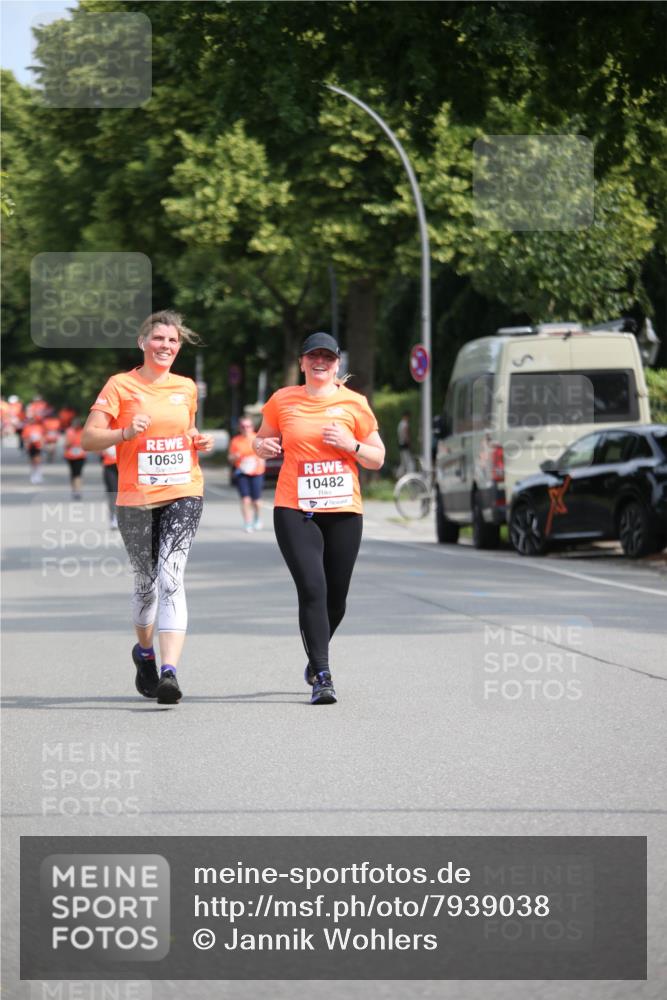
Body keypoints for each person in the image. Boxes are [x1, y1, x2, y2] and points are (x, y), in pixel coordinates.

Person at [81, 310, 214, 706]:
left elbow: (185, 429)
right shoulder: (120, 385)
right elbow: (89, 439)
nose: (166, 346)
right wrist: (123, 432)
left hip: (183, 491)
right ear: (143, 343)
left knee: (171, 576)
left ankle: (170, 673)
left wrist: (197, 440)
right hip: (136, 499)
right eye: (159, 339)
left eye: (173, 342)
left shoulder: (186, 387)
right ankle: (145, 655)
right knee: (146, 586)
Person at [254, 332, 385, 705]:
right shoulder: (283, 400)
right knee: (313, 587)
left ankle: (315, 653)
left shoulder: (354, 404)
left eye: (327, 357)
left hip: (344, 509)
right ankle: (323, 676)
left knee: (337, 599)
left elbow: (377, 457)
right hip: (296, 507)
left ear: (337, 363)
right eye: (313, 356)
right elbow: (261, 441)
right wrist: (262, 446)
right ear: (302, 362)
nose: (320, 362)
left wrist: (351, 445)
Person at [228, 416, 266, 532]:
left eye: (248, 426)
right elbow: (230, 458)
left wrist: (260, 459)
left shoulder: (257, 438)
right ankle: (248, 522)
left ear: (252, 427)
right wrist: (235, 457)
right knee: (245, 499)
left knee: (256, 501)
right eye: (243, 426)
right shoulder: (236, 440)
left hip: (257, 472)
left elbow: (264, 454)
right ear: (240, 428)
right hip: (242, 472)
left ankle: (257, 518)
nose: (246, 428)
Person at [63, 417, 87, 499]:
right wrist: (70, 442)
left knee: (78, 473)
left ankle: (78, 491)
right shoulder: (69, 431)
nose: (76, 426)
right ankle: (74, 489)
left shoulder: (83, 431)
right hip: (70, 455)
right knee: (73, 473)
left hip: (80, 456)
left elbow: (86, 443)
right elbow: (66, 444)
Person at [100, 444, 119, 528]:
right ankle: (113, 517)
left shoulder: (130, 430)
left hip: (125, 464)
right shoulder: (104, 430)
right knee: (113, 493)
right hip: (110, 465)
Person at [22, 417, 44, 483]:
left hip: (37, 446)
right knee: (32, 461)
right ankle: (33, 475)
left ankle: (38, 474)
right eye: (31, 420)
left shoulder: (39, 427)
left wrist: (42, 444)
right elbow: (25, 438)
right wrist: (26, 445)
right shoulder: (26, 428)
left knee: (37, 460)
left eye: (33, 420)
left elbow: (42, 436)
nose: (32, 421)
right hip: (30, 446)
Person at [397, 410, 414, 476]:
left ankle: (398, 475)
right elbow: (406, 434)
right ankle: (410, 475)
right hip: (405, 444)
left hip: (401, 444)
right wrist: (409, 443)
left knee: (403, 462)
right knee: (409, 462)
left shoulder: (400, 424)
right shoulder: (405, 424)